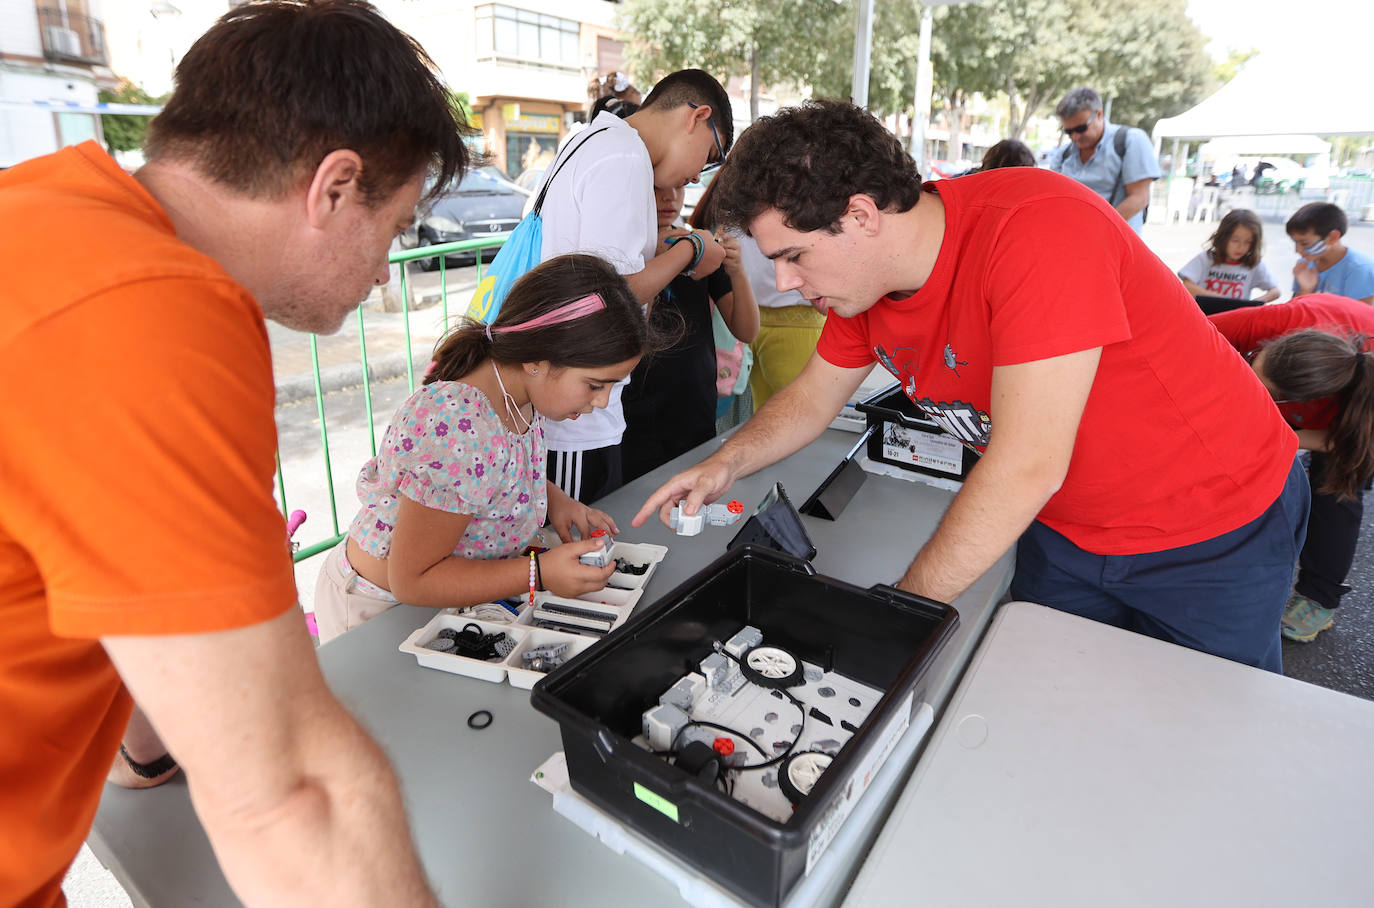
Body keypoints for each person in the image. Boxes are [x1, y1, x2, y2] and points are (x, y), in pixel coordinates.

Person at [0, 2, 467, 904]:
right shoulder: (147, 310)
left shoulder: (42, 213)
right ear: (335, 187)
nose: (385, 271)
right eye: (396, 228)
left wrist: (146, 748)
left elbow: (120, 594)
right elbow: (294, 796)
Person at [634, 100, 1307, 674]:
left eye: (794, 256)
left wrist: (896, 614)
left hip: (1213, 528)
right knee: (1048, 701)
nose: (784, 282)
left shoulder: (1037, 227)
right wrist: (725, 462)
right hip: (1065, 528)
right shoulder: (864, 285)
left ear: (861, 215)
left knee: (1204, 733)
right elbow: (812, 397)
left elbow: (1025, 464)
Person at [314, 255, 648, 642]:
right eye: (594, 385)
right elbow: (412, 579)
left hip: (439, 598)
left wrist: (555, 499)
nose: (603, 402)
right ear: (537, 361)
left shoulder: (519, 392)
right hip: (379, 610)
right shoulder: (460, 425)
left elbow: (488, 475)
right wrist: (539, 574)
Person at [537, 68, 731, 503]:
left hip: (580, 394)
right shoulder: (624, 158)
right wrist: (692, 249)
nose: (696, 177)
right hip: (577, 408)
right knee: (580, 532)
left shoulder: (597, 140)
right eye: (710, 155)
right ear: (697, 117)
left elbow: (593, 260)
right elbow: (611, 296)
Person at [1210, 293, 1374, 642]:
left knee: (1337, 487)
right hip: (1325, 332)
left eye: (1265, 390)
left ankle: (1319, 598)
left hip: (1357, 417)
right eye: (1254, 360)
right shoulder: (1276, 321)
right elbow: (1180, 338)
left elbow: (1345, 443)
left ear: (1299, 402)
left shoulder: (1357, 407)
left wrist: (1282, 436)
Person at [621, 180, 759, 482]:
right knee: (633, 497)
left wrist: (737, 271)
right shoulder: (626, 252)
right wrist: (658, 259)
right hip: (632, 410)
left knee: (691, 497)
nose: (670, 197)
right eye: (657, 188)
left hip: (694, 405)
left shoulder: (701, 247)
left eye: (679, 187)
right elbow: (626, 329)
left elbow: (747, 331)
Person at [1051, 87, 1161, 234]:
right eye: (1069, 132)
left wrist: (1097, 231)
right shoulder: (1063, 155)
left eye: (1081, 128)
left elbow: (1139, 198)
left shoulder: (1130, 141)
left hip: (1115, 239)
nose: (1075, 136)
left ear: (1099, 114)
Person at [1177, 208, 1281, 303]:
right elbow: (1187, 286)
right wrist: (1219, 299)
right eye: (1235, 240)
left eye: (1248, 242)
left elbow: (1275, 291)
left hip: (1236, 316)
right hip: (1204, 315)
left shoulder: (1253, 264)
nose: (1241, 247)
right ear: (1223, 237)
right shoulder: (1205, 259)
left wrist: (1253, 304)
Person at [1286, 202, 1374, 305]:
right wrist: (1305, 290)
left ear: (1333, 237)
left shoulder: (1360, 270)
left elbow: (1360, 314)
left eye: (1304, 243)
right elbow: (1293, 310)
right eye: (1295, 242)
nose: (1298, 250)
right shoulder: (1305, 264)